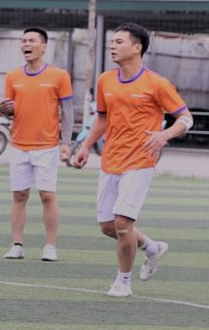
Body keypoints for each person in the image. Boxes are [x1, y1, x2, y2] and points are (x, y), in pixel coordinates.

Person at [68, 23, 189, 299]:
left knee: (123, 223)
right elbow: (102, 117)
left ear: (137, 48)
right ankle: (152, 247)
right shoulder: (105, 80)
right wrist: (85, 146)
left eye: (119, 42)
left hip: (140, 162)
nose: (113, 46)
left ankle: (123, 282)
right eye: (112, 41)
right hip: (111, 160)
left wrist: (164, 135)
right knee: (108, 227)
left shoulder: (157, 83)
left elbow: (186, 118)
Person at [0, 26, 72, 262]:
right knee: (19, 195)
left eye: (31, 40)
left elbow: (68, 112)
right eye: (23, 41)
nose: (26, 44)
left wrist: (66, 143)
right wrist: (4, 110)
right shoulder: (12, 76)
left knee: (47, 195)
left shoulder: (59, 76)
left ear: (43, 46)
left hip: (47, 146)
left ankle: (50, 246)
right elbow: (10, 109)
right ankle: (17, 244)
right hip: (19, 145)